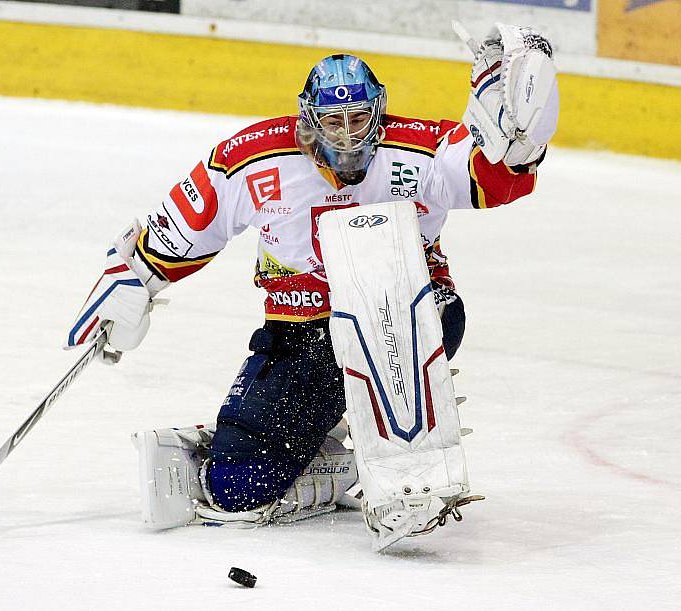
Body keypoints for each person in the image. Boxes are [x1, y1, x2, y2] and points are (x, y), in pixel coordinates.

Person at [67, 28, 558, 534]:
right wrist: (130, 279)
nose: (347, 137)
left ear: (379, 113)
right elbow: (184, 229)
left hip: (409, 311)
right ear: (309, 121)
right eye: (332, 122)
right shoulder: (253, 159)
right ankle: (328, 455)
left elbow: (493, 179)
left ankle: (411, 475)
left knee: (407, 318)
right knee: (235, 486)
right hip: (303, 332)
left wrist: (520, 150)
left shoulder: (418, 151)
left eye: (358, 119)